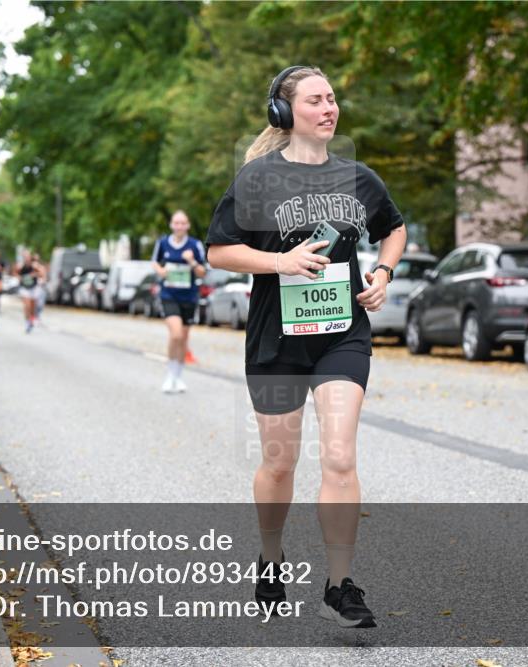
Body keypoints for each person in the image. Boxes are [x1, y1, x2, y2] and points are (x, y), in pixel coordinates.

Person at [206, 66, 406, 629]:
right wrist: (280, 262)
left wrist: (384, 272)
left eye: (332, 98)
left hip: (343, 334)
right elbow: (219, 251)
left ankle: (340, 585)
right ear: (284, 112)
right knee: (279, 462)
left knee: (340, 455)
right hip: (277, 341)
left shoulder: (359, 178)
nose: (328, 108)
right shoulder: (256, 180)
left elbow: (394, 227)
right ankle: (271, 556)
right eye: (315, 100)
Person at [152, 211, 207, 393]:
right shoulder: (163, 243)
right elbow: (154, 263)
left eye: (183, 223)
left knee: (183, 339)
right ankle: (169, 375)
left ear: (188, 225)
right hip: (169, 294)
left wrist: (191, 261)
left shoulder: (195, 245)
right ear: (171, 225)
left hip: (189, 297)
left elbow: (202, 272)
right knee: (175, 334)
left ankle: (178, 376)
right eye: (176, 223)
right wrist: (160, 271)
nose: (179, 226)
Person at [14, 250, 45, 333]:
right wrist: (19, 277)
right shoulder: (20, 266)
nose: (26, 258)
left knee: (32, 306)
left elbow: (42, 273)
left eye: (28, 256)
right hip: (24, 288)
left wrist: (34, 275)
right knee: (26, 305)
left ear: (30, 257)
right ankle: (27, 322)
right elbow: (15, 273)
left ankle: (32, 318)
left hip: (33, 287)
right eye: (25, 256)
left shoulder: (35, 265)